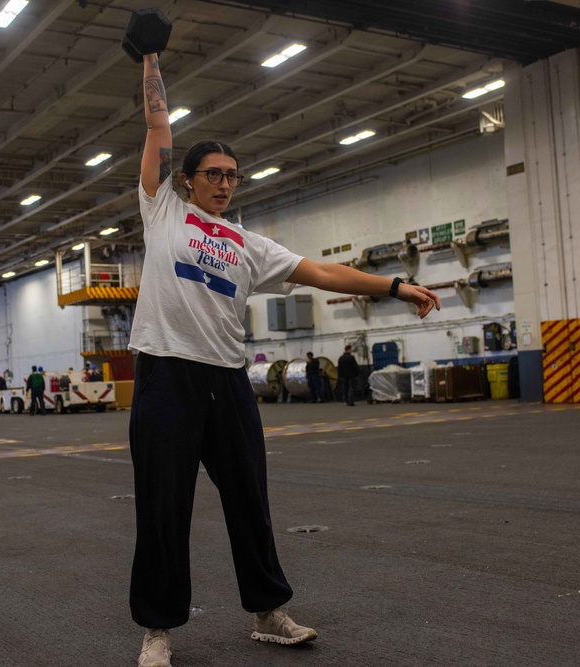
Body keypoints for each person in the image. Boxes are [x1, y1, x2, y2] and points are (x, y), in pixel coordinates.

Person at [129, 47, 441, 667]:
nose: (223, 182)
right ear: (187, 179)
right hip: (167, 375)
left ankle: (268, 610)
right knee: (164, 507)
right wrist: (150, 56)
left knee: (250, 498)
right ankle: (158, 631)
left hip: (227, 381)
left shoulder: (249, 244)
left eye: (232, 175)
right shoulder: (162, 209)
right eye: (213, 173)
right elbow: (159, 125)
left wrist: (396, 287)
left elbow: (323, 272)